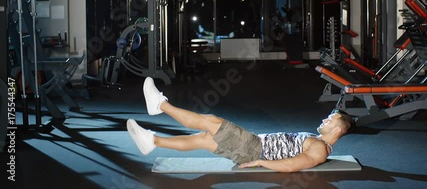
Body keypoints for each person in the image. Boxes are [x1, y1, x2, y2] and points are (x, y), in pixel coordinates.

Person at [127, 77, 355, 173]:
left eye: (329, 120)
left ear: (337, 130)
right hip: (254, 145)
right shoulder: (320, 142)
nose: (324, 120)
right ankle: (152, 141)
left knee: (212, 121)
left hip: (254, 148)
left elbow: (294, 165)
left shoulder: (320, 149)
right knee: (203, 139)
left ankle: (160, 105)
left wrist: (261, 161)